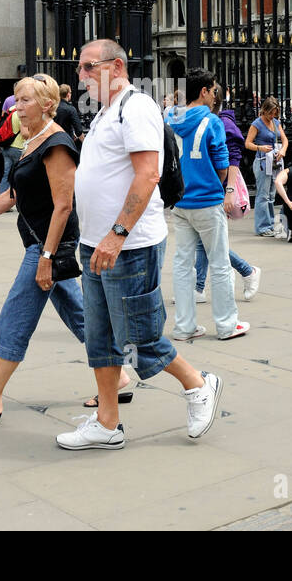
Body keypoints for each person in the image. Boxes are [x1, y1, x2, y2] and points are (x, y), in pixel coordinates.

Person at [59, 38, 222, 450]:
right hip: (95, 243)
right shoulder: (104, 113)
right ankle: (107, 423)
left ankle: (199, 384)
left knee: (140, 338)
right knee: (100, 338)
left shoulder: (137, 107)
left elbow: (148, 175)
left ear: (114, 67)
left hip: (128, 246)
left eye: (86, 67)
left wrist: (117, 236)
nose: (79, 76)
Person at [0, 74, 123, 426]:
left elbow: (63, 206)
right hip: (41, 242)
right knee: (81, 315)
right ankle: (119, 377)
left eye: (24, 101)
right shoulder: (33, 138)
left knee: (16, 315)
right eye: (15, 100)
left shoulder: (56, 144)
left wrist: (46, 258)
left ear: (47, 104)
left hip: (47, 244)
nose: (16, 107)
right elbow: (14, 194)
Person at [165, 68, 250, 341]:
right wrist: (223, 186)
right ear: (203, 91)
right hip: (207, 200)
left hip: (179, 201)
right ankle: (227, 325)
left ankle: (185, 326)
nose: (216, 96)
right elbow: (223, 166)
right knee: (220, 263)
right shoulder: (211, 122)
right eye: (214, 91)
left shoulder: (168, 118)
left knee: (182, 263)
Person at [192, 85, 260, 303]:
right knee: (205, 239)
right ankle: (200, 287)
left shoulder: (223, 122)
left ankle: (247, 270)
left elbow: (233, 159)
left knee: (210, 239)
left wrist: (229, 190)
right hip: (206, 187)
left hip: (217, 189)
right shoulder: (205, 120)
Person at [245, 96, 288, 236]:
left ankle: (269, 225)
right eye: (270, 113)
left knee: (271, 195)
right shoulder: (256, 124)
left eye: (274, 113)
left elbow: (285, 139)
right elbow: (247, 143)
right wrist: (260, 147)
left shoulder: (276, 122)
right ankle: (262, 227)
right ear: (264, 110)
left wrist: (283, 150)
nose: (272, 116)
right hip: (262, 161)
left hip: (273, 161)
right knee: (263, 195)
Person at [55, 83, 84, 148]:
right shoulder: (70, 109)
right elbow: (78, 130)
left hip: (54, 140)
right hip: (67, 141)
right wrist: (85, 143)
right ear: (68, 94)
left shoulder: (52, 108)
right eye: (70, 92)